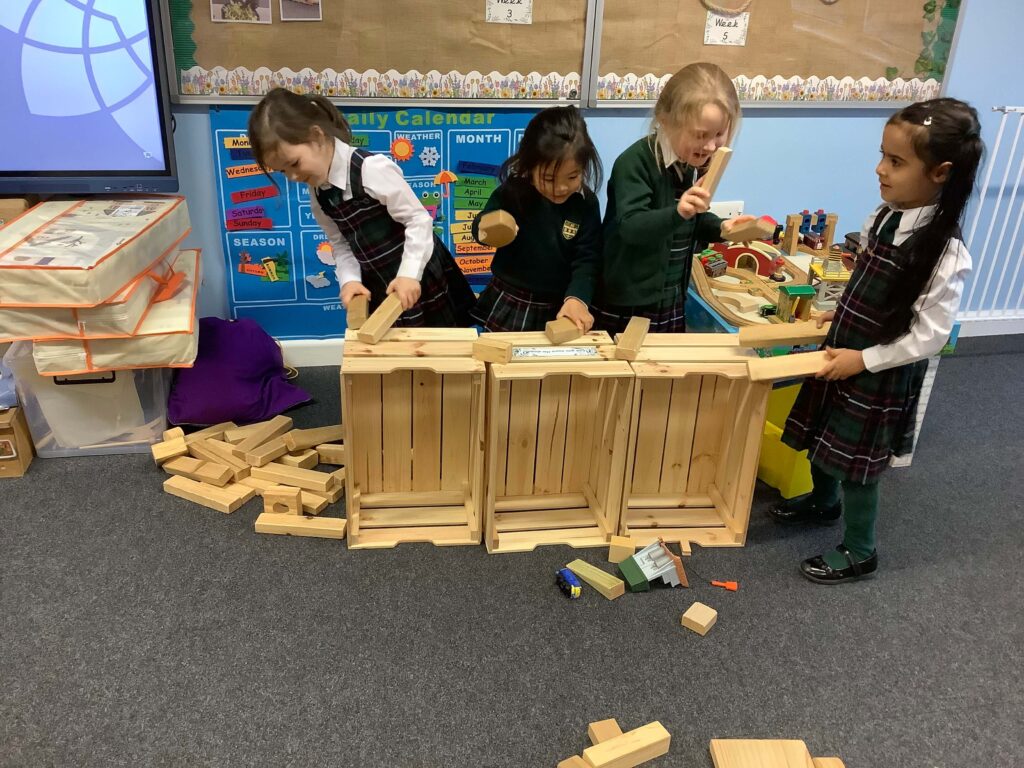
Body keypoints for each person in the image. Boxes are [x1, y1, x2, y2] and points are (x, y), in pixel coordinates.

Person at [772, 98, 983, 584]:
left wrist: (863, 360)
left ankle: (860, 550)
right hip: (844, 347)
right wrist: (839, 306)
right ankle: (823, 506)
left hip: (877, 372)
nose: (879, 169)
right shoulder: (883, 216)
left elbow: (928, 337)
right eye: (882, 156)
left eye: (896, 161)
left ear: (941, 173)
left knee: (857, 469)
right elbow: (866, 277)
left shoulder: (944, 252)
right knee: (820, 434)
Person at [248, 88, 475, 327]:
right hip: (379, 283)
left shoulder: (371, 169)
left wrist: (409, 274)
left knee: (437, 345)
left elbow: (418, 220)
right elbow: (340, 243)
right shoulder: (318, 193)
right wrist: (350, 280)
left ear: (316, 136)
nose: (292, 176)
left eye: (294, 163)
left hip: (418, 275)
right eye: (283, 171)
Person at [593, 62, 755, 335]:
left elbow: (693, 217)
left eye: (718, 134)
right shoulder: (635, 163)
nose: (711, 146)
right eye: (701, 135)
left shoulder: (689, 161)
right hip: (628, 302)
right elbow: (631, 227)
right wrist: (678, 211)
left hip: (669, 297)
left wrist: (722, 229)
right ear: (666, 120)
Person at [470, 105, 602, 332]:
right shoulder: (513, 191)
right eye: (548, 178)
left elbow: (588, 259)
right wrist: (488, 230)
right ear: (529, 167)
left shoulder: (586, 204)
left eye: (572, 176)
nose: (560, 188)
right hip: (509, 296)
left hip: (558, 306)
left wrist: (577, 299)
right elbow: (479, 227)